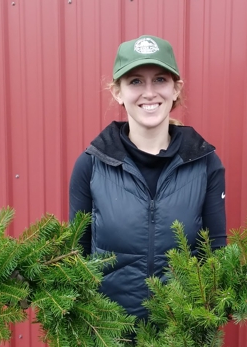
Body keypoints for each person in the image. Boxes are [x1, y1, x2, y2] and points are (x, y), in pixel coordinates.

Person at [69, 35, 226, 321]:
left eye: (160, 80)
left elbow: (216, 256)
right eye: (136, 81)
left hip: (181, 333)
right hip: (110, 335)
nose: (149, 92)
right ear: (118, 92)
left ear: (176, 89)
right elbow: (74, 258)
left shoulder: (205, 163)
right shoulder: (91, 165)